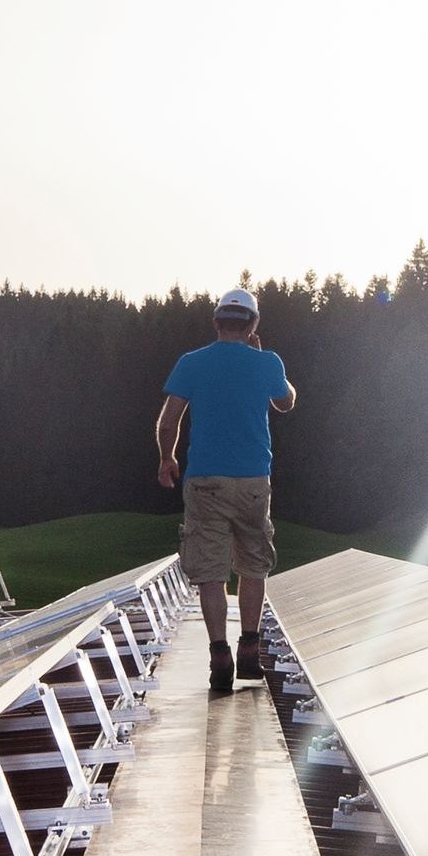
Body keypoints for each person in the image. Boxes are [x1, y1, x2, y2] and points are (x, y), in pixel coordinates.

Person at [155, 286, 297, 695]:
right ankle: (249, 646)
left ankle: (219, 653)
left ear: (216, 322)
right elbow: (286, 402)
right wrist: (263, 355)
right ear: (252, 324)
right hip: (254, 481)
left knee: (211, 572)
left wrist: (167, 458)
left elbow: (169, 421)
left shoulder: (191, 363)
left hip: (205, 481)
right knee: (254, 565)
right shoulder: (268, 362)